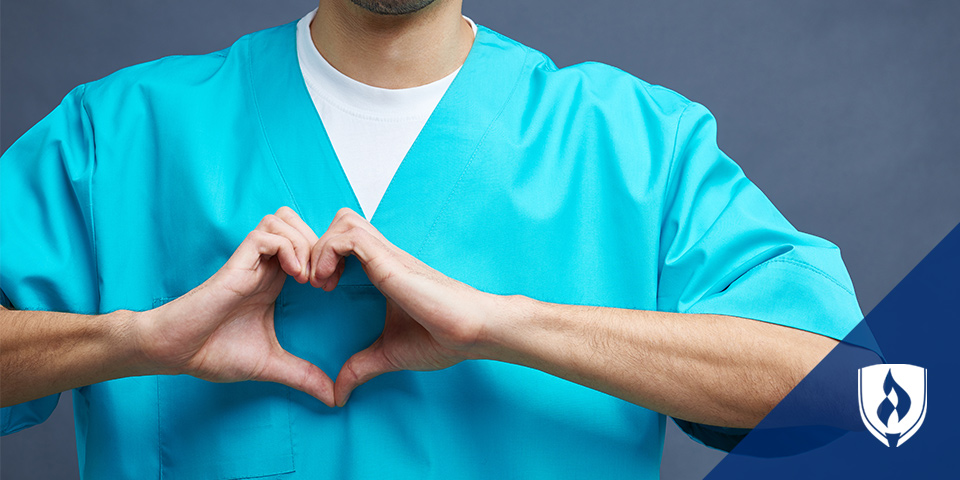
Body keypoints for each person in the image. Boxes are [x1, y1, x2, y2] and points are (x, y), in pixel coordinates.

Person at [0, 0, 863, 477]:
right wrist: (133, 339)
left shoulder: (635, 144)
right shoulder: (119, 135)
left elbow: (858, 396)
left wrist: (502, 324)